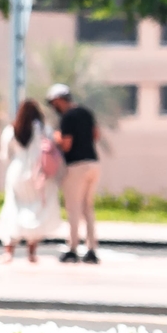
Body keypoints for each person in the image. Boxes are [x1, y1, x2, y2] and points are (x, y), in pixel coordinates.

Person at [0, 99, 59, 264]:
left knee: (12, 208)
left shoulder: (11, 130)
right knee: (37, 210)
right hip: (38, 174)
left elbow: (5, 155)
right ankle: (31, 253)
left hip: (16, 172)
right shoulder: (45, 130)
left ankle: (9, 251)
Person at [47, 83, 100, 263]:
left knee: (73, 208)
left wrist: (56, 138)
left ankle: (72, 247)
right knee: (87, 207)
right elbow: (96, 135)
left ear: (59, 100)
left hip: (76, 165)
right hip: (93, 163)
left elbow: (67, 144)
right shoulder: (86, 112)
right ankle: (92, 248)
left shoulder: (67, 117)